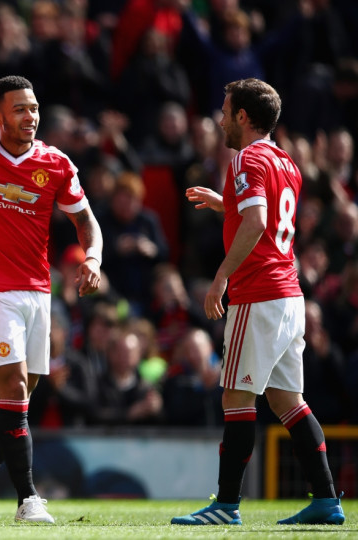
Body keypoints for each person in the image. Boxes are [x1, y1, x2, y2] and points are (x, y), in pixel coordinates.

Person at [172, 78, 344, 526]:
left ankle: (226, 505)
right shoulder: (286, 161)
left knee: (236, 396)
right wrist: (225, 203)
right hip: (290, 297)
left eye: (225, 111)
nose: (220, 118)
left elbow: (256, 222)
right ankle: (326, 500)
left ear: (243, 117)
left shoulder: (245, 158)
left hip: (259, 294)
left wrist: (220, 278)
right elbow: (264, 217)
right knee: (289, 400)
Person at [0, 70, 102, 523]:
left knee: (20, 398)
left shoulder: (56, 163)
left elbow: (85, 221)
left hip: (38, 291)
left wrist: (94, 258)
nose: (31, 116)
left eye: (34, 108)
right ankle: (28, 498)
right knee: (12, 388)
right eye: (20, 109)